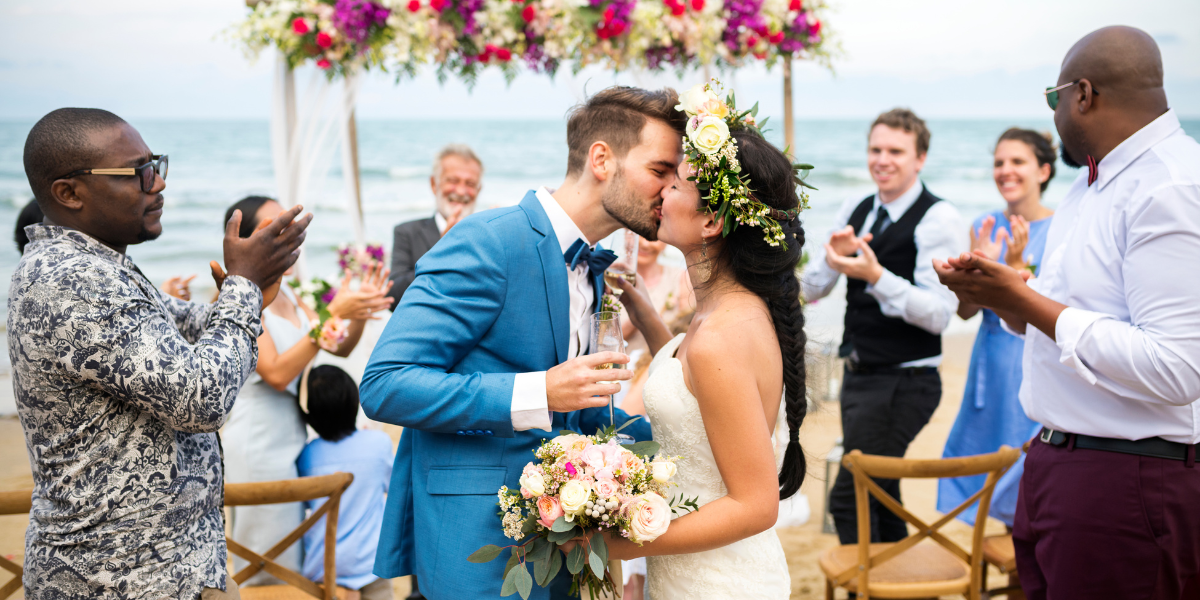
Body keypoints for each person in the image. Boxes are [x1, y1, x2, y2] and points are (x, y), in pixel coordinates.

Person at [360, 85, 671, 599]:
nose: (669, 188)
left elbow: (578, 409)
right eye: (659, 170)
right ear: (601, 159)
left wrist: (669, 443)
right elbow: (385, 385)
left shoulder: (590, 267)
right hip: (476, 541)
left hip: (562, 539)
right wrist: (539, 392)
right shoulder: (490, 240)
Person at [934, 26, 1200, 600]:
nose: (1055, 117)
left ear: (1083, 94)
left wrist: (1027, 300)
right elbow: (1057, 321)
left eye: (1053, 101)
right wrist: (1001, 297)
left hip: (1128, 480)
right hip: (1057, 459)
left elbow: (1180, 369)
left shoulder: (1172, 186)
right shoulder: (1089, 184)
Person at [9, 107, 311, 599]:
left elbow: (196, 332)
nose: (158, 185)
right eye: (138, 173)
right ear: (69, 193)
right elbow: (200, 398)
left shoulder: (102, 267)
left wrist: (249, 291)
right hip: (121, 578)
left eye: (157, 165)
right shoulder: (70, 280)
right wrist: (244, 287)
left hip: (173, 567)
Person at [598, 82, 807, 598]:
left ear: (713, 220)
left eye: (677, 182)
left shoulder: (723, 334)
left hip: (719, 583)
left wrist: (620, 543)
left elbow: (757, 506)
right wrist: (645, 313)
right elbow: (694, 386)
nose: (661, 190)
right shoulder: (726, 309)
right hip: (695, 570)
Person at [802, 108, 965, 546]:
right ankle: (909, 592)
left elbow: (939, 313)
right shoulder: (856, 207)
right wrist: (831, 258)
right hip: (858, 378)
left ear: (920, 158)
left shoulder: (939, 218)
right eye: (876, 149)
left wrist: (877, 277)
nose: (882, 160)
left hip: (907, 382)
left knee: (850, 499)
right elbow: (813, 286)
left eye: (896, 151)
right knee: (882, 496)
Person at [221, 195, 393, 585]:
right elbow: (278, 373)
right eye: (273, 226)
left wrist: (358, 313)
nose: (288, 232)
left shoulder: (292, 295)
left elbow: (337, 344)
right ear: (245, 241)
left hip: (294, 435)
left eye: (290, 223)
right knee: (265, 564)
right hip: (258, 441)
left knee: (295, 557)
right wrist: (335, 313)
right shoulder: (240, 297)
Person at [938, 128, 1056, 527]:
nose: (1006, 170)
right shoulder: (984, 224)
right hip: (990, 364)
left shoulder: (1061, 230)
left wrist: (1019, 270)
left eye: (1017, 162)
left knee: (1033, 483)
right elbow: (966, 312)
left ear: (1043, 170)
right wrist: (974, 273)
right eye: (999, 162)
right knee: (991, 478)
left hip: (1035, 362)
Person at [297, 366, 395, 600]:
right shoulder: (378, 444)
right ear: (354, 401)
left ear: (310, 416)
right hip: (370, 567)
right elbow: (395, 491)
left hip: (322, 570)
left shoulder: (306, 456)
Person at [386, 144, 483, 306]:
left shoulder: (488, 235)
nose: (460, 191)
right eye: (452, 181)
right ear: (433, 184)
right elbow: (393, 298)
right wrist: (442, 251)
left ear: (479, 190)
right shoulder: (407, 232)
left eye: (470, 184)